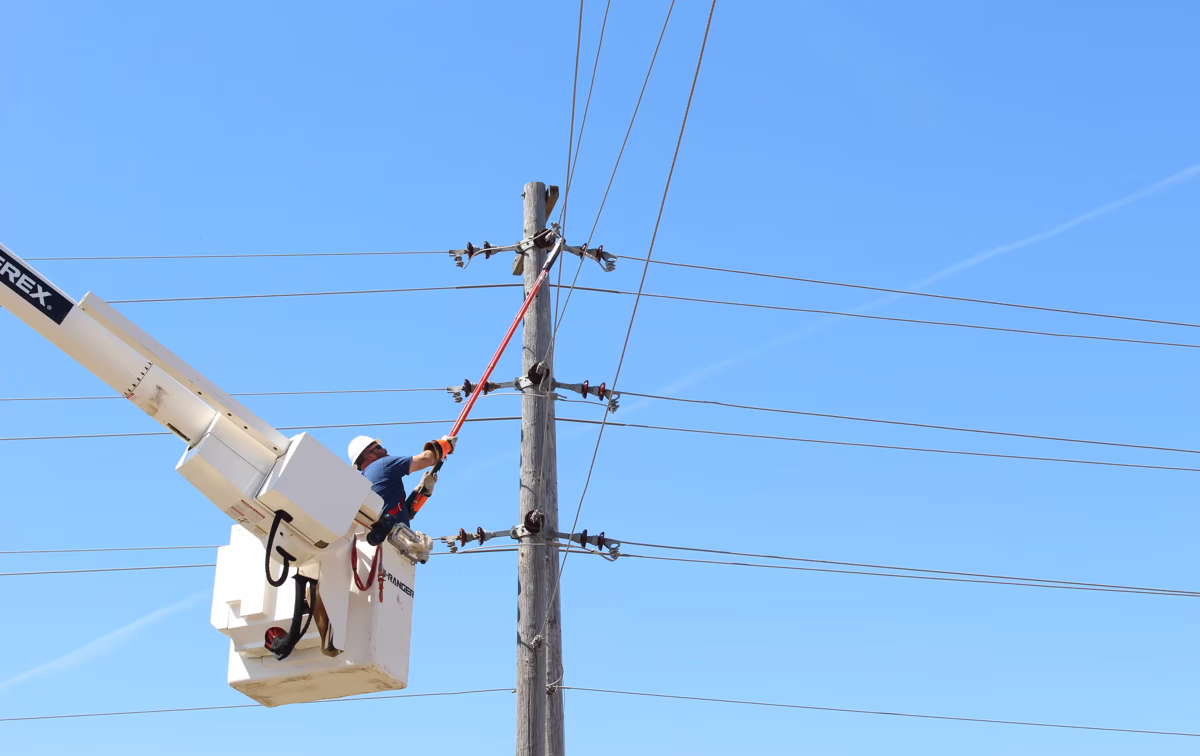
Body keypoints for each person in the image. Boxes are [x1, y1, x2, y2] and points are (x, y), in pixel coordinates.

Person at [346, 434, 456, 542]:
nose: (385, 450)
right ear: (370, 455)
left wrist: (422, 491)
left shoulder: (364, 484)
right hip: (393, 544)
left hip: (386, 541)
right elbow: (427, 458)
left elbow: (397, 513)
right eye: (378, 447)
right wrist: (446, 445)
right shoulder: (382, 465)